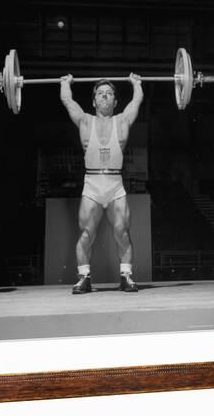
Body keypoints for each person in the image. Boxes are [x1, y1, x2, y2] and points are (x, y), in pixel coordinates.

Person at [60, 73, 144, 294]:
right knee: (86, 234)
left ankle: (126, 277)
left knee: (122, 232)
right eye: (100, 94)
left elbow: (136, 101)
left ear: (116, 101)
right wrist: (65, 83)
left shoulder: (123, 121)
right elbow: (67, 100)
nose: (105, 97)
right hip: (92, 185)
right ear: (94, 100)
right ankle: (84, 278)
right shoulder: (85, 121)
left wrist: (136, 84)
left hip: (115, 184)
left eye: (109, 94)